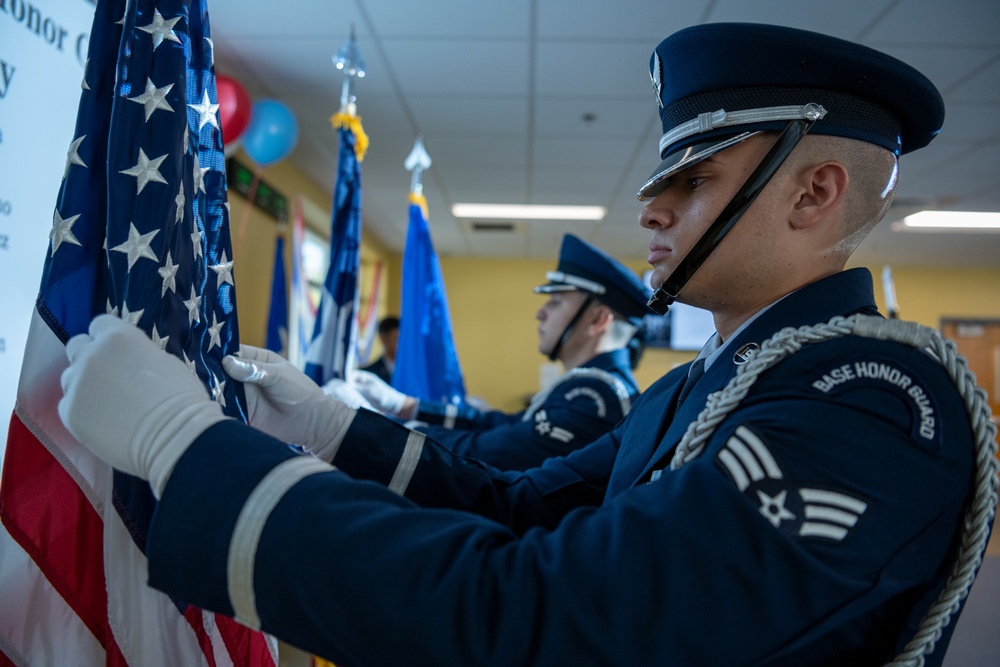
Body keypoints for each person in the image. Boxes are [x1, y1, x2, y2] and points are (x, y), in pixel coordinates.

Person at [58, 23, 996, 666]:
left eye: (697, 176)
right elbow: (514, 504)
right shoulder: (694, 389)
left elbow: (551, 618)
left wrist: (191, 450)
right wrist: (333, 426)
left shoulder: (869, 401)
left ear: (813, 193)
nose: (650, 206)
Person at [352, 233, 650, 471]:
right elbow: (507, 426)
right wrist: (408, 406)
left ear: (598, 319)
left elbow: (488, 451)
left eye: (556, 301)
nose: (541, 314)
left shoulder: (594, 397)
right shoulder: (591, 386)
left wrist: (367, 426)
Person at [358, 316, 399, 384]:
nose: (400, 344)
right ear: (384, 339)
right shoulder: (368, 374)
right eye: (396, 339)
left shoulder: (412, 372)